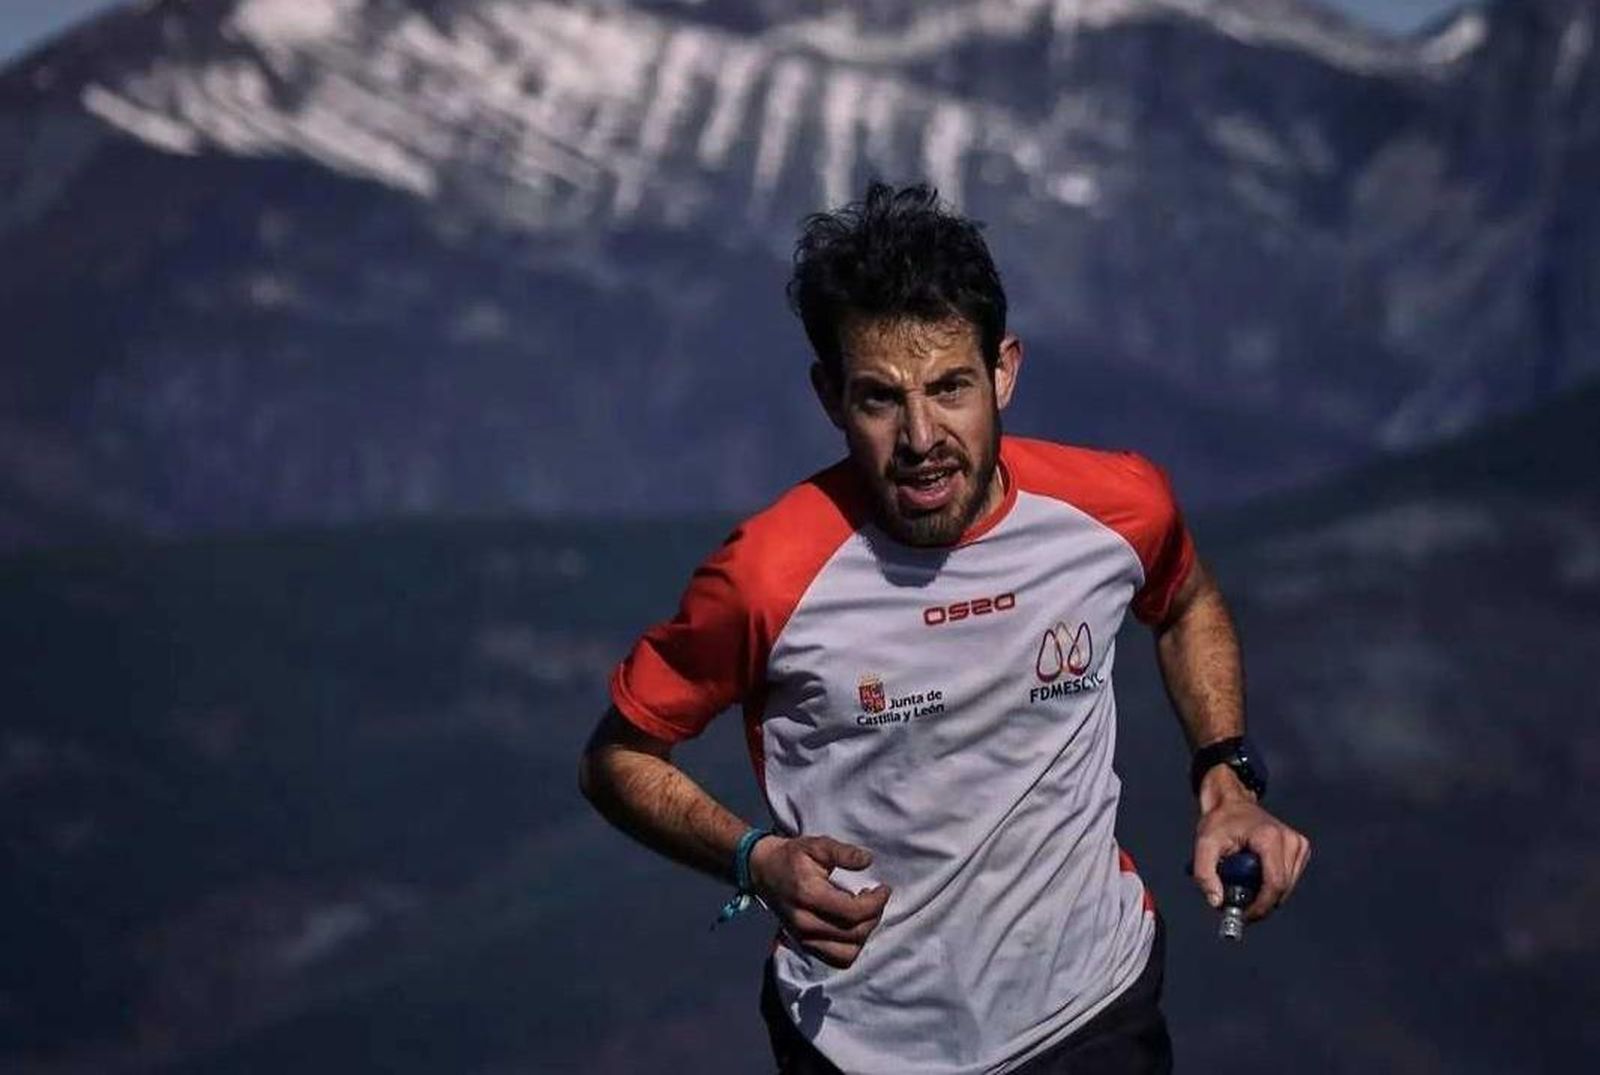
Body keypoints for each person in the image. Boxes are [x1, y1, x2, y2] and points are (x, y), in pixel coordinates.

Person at [577, 180, 1311, 1074]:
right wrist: (753, 857)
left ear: (1004, 369)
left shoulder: (1116, 508)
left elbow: (1186, 601)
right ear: (829, 396)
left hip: (1093, 1011)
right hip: (860, 1044)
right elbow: (616, 758)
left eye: (951, 386)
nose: (922, 436)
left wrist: (1225, 776)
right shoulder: (767, 573)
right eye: (880, 398)